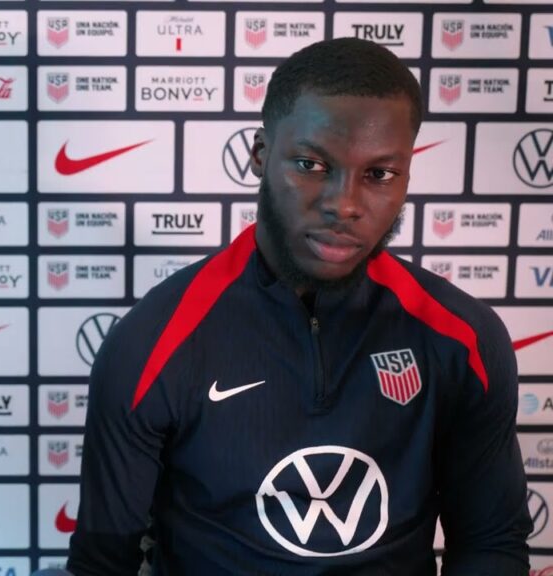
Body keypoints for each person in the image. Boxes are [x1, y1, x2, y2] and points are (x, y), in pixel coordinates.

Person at [67, 37, 531, 575]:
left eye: (379, 174)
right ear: (260, 155)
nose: (345, 204)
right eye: (311, 164)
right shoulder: (152, 341)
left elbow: (492, 543)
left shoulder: (463, 337)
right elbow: (103, 564)